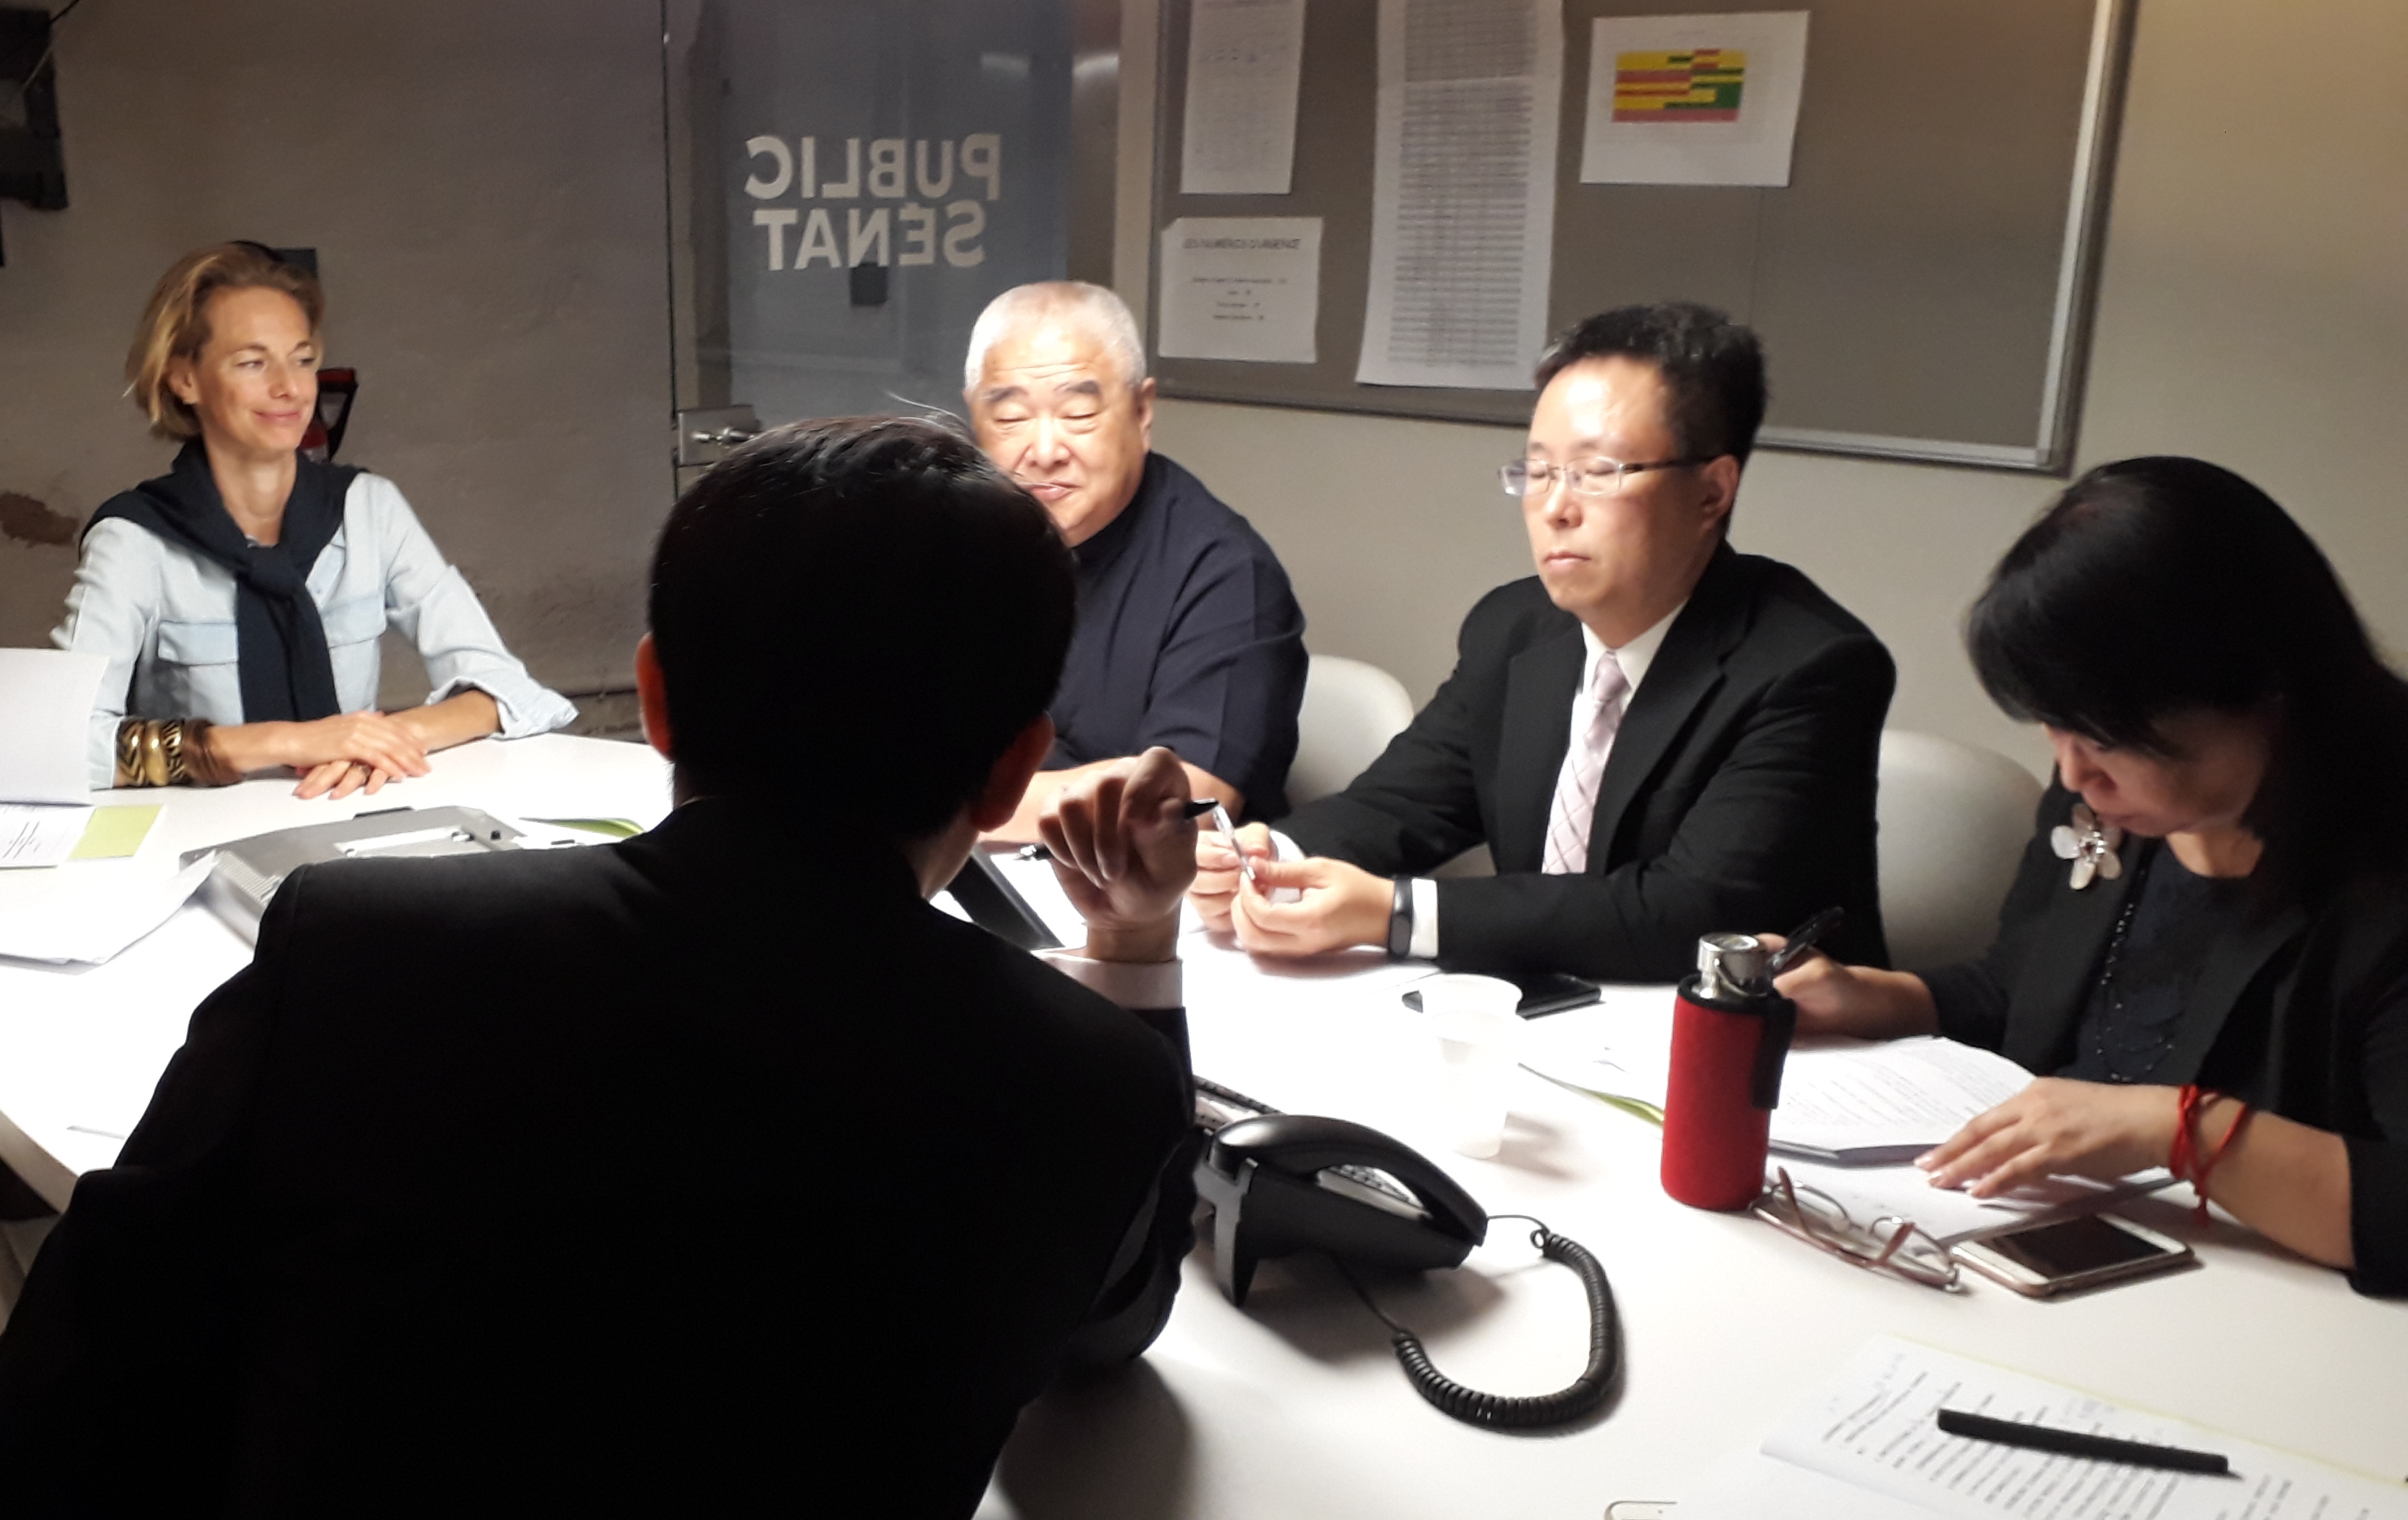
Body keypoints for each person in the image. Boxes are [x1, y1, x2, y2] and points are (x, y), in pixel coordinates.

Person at [0, 418, 1206, 1520]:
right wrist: (1136, 956)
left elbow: (59, 1453)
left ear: (657, 696)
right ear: (1010, 765)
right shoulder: (1076, 1084)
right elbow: (1113, 1324)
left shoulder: (359, 951)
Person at [1778, 458, 2408, 1295]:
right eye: (2053, 726)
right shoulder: (2119, 800)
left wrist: (2181, 1130)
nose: (2075, 774)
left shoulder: (2383, 875)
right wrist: (1879, 998)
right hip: (2052, 1253)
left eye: (2103, 736)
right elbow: (2026, 988)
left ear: (2265, 689)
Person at [1193, 303, 1894, 981]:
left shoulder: (1810, 665)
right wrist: (1270, 857)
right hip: (1555, 1016)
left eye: (1597, 472)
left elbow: (1688, 911)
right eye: (1538, 472)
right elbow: (1401, 805)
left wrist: (1397, 913)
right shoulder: (1513, 629)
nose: (1556, 507)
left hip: (1761, 1040)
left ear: (1712, 492)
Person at [55, 241, 573, 797]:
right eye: (253, 363)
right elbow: (58, 745)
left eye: (302, 360)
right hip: (200, 836)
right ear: (185, 379)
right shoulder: (134, 539)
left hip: (348, 817)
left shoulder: (369, 508)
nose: (290, 388)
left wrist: (383, 738)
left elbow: (509, 691)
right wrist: (284, 741)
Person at [967, 280, 1307, 827]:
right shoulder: (954, 539)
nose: (1045, 451)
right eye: (1010, 418)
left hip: (1146, 877)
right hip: (965, 862)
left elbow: (1186, 803)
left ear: (1142, 412)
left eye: (1079, 414)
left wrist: (935, 803)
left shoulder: (1224, 572)